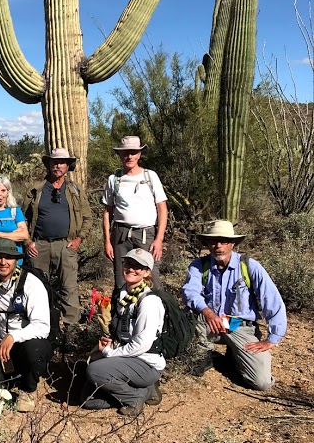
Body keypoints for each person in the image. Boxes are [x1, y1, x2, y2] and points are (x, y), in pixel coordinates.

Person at [181, 221, 286, 391]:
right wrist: (207, 312)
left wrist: (272, 339)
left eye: (224, 241)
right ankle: (204, 356)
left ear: (233, 244)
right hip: (209, 323)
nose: (218, 246)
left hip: (240, 327)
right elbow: (189, 292)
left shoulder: (249, 266)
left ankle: (234, 354)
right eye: (214, 241)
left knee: (262, 382)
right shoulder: (199, 265)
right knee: (192, 319)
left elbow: (271, 299)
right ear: (207, 243)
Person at [0, 238, 52, 413]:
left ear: (16, 260)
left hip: (26, 346)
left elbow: (42, 327)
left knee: (35, 349)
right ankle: (11, 379)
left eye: (8, 257)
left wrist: (13, 336)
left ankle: (28, 390)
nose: (3, 262)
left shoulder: (32, 284)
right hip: (2, 352)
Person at [82, 249, 165, 416]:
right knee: (87, 400)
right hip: (128, 357)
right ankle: (146, 390)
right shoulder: (122, 294)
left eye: (138, 266)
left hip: (145, 362)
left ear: (147, 272)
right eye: (128, 264)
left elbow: (142, 344)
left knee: (95, 371)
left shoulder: (149, 302)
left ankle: (135, 397)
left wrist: (110, 353)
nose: (131, 269)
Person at [23, 148, 92, 326]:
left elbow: (87, 217)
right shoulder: (36, 190)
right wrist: (27, 241)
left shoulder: (75, 190)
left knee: (69, 288)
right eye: (54, 162)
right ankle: (41, 326)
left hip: (66, 245)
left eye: (62, 162)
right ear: (49, 164)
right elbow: (22, 219)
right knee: (37, 288)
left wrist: (79, 239)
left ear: (68, 165)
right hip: (40, 246)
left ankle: (71, 329)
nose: (58, 165)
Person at [102, 136, 168, 290]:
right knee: (122, 277)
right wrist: (107, 241)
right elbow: (107, 212)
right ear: (120, 155)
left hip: (146, 235)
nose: (129, 156)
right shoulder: (114, 179)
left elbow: (162, 209)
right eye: (125, 153)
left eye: (133, 152)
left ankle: (157, 310)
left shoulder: (150, 176)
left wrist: (159, 239)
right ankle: (122, 312)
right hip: (120, 235)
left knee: (151, 276)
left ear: (139, 154)